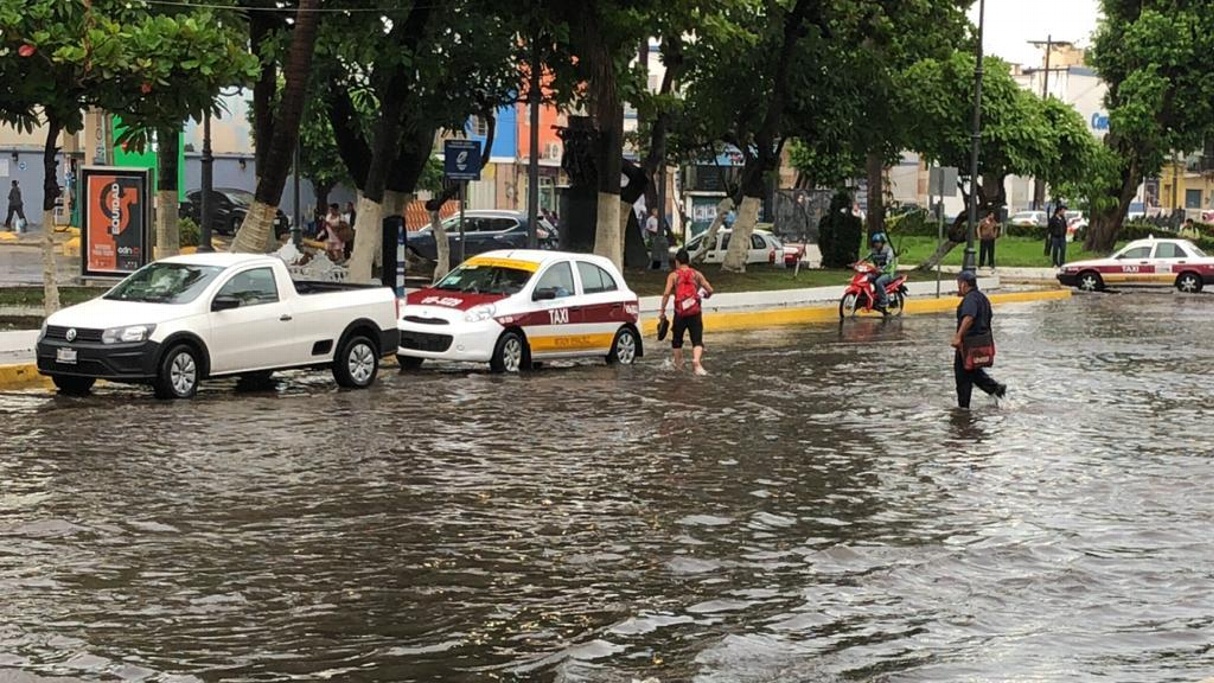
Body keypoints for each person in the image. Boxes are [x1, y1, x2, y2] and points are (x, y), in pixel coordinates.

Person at [951, 270, 1006, 409]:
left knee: (963, 375)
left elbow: (969, 317)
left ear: (963, 284)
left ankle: (963, 409)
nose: (958, 287)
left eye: (959, 284)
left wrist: (958, 337)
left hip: (969, 344)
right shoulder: (982, 298)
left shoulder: (970, 299)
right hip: (982, 342)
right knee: (972, 370)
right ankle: (995, 389)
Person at [660, 248, 714, 376]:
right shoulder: (697, 274)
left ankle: (679, 365)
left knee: (677, 340)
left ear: (677, 262)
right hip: (695, 312)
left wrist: (662, 311)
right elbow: (710, 290)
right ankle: (696, 361)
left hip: (680, 313)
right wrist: (704, 296)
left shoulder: (673, 276)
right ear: (688, 261)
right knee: (697, 340)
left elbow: (667, 293)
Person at [865, 232, 897, 312]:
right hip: (877, 272)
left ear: (882, 243)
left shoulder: (888, 250)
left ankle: (884, 301)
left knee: (879, 282)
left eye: (878, 242)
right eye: (875, 242)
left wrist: (883, 267)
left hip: (887, 273)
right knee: (866, 278)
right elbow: (866, 258)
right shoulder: (874, 251)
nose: (876, 244)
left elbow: (888, 260)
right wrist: (857, 263)